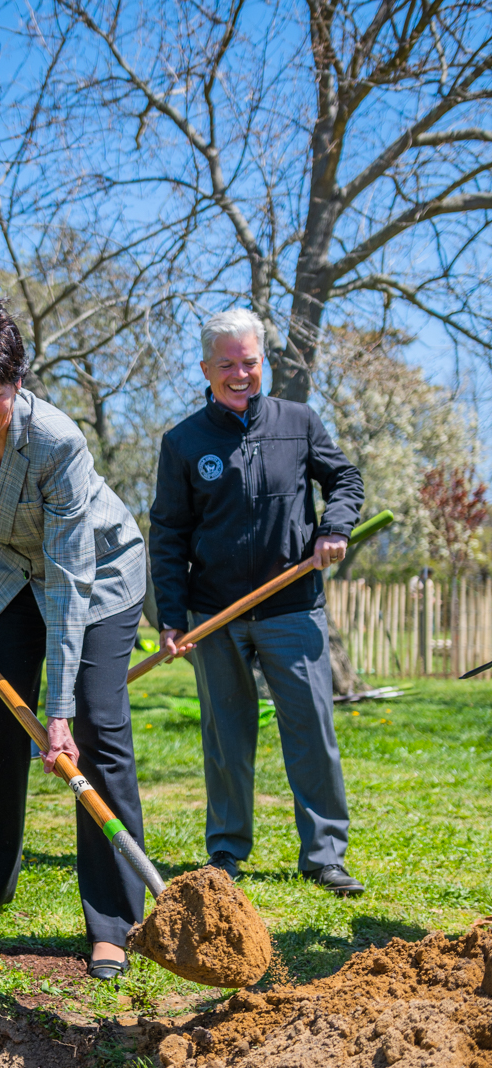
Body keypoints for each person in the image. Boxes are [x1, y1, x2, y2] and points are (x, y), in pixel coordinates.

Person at [0, 299, 146, 979]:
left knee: (97, 731)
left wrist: (58, 715)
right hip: (10, 572)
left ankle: (114, 921)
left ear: (16, 384)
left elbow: (72, 578)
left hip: (97, 576)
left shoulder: (56, 440)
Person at [150, 308, 365, 895]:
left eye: (250, 362)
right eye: (228, 364)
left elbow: (345, 479)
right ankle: (225, 852)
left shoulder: (298, 422)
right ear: (205, 368)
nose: (240, 374)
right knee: (226, 736)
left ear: (262, 362)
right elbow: (167, 534)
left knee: (311, 729)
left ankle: (325, 855)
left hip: (292, 606)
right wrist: (171, 617)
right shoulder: (184, 441)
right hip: (213, 614)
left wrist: (334, 528)